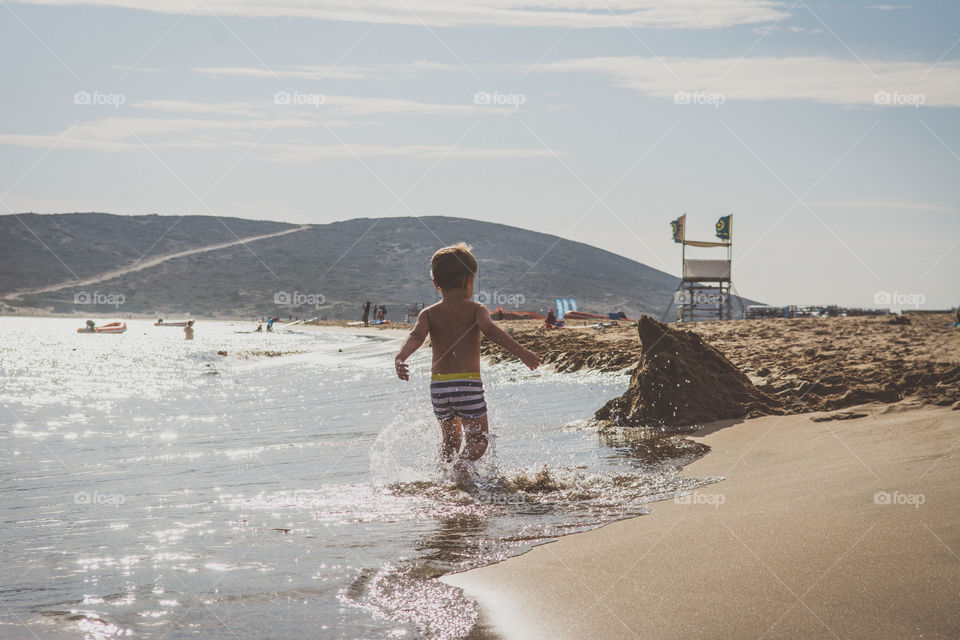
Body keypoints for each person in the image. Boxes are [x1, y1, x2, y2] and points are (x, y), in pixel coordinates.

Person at [394, 243, 540, 464]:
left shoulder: (428, 313)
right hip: (467, 385)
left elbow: (416, 336)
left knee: (450, 442)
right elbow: (492, 332)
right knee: (478, 441)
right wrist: (522, 353)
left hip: (439, 387)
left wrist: (401, 357)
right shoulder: (476, 309)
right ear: (470, 281)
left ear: (436, 284)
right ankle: (461, 469)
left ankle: (444, 476)